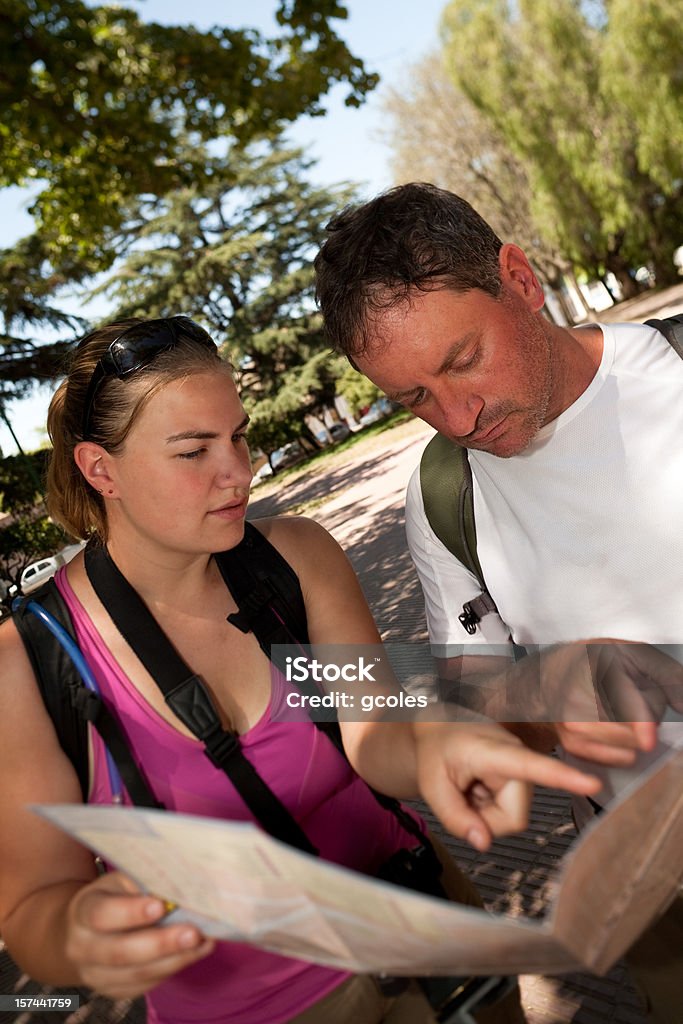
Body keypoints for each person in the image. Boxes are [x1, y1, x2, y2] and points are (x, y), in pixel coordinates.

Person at [0, 316, 601, 1024]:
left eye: (238, 436)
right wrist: (75, 936)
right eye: (194, 451)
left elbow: (371, 731)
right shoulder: (27, 659)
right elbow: (32, 906)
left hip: (430, 940)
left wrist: (441, 740)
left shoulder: (294, 559)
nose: (238, 471)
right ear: (101, 470)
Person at [313, 182, 683, 1023]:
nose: (458, 416)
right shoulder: (443, 497)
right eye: (411, 400)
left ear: (519, 279)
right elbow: (478, 706)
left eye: (459, 360)